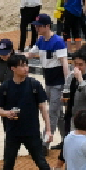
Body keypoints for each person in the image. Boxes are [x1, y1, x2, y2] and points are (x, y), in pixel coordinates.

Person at [0, 53, 57, 170]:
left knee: (41, 162)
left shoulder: (34, 85)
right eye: (22, 65)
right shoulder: (5, 87)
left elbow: (43, 108)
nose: (26, 68)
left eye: (26, 65)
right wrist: (7, 114)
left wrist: (48, 130)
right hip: (12, 132)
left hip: (31, 132)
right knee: (8, 164)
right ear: (13, 68)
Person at [27, 13, 68, 141]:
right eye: (36, 26)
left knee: (52, 113)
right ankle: (65, 139)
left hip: (58, 83)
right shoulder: (40, 41)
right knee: (58, 113)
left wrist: (66, 86)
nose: (36, 28)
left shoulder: (58, 42)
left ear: (47, 26)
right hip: (49, 82)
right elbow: (29, 54)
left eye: (39, 26)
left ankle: (45, 143)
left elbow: (65, 63)